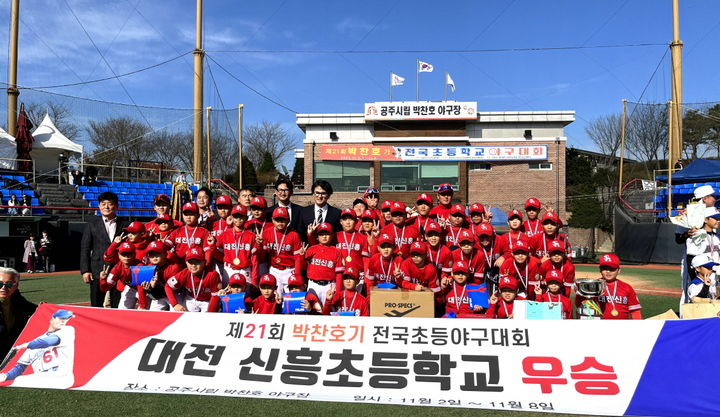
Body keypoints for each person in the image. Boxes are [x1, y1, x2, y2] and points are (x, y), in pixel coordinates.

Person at [0, 309, 75, 388]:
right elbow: (19, 368)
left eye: (67, 319)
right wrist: (4, 376)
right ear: (52, 319)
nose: (63, 321)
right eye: (61, 318)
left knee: (21, 380)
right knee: (19, 379)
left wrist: (24, 345)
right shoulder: (34, 344)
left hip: (62, 377)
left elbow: (48, 342)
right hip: (43, 378)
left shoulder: (67, 330)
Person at [80, 191, 128, 308]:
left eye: (110, 204)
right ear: (99, 206)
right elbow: (85, 248)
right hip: (97, 269)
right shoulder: (92, 225)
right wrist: (85, 270)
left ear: (116, 206)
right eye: (103, 204)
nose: (106, 207)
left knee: (118, 303)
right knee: (96, 303)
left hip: (118, 269)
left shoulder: (125, 224)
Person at [577, 253, 641, 320]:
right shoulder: (593, 286)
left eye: (612, 269)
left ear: (619, 270)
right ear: (600, 270)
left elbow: (635, 311)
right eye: (604, 268)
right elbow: (579, 304)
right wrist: (579, 294)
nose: (608, 271)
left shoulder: (627, 288)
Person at [258, 207, 303, 294]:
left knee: (290, 297)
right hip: (274, 269)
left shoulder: (294, 235)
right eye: (277, 219)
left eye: (283, 220)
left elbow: (297, 258)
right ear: (272, 220)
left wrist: (297, 275)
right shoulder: (267, 233)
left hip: (289, 270)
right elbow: (262, 255)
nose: (280, 222)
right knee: (274, 296)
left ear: (288, 220)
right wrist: (259, 245)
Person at [0, 267, 37, 359]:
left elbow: (33, 309)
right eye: (0, 284)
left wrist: (45, 308)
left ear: (16, 286)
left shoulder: (16, 297)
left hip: (12, 349)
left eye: (9, 284)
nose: (3, 288)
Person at [304, 222, 345, 304]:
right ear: (317, 236)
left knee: (328, 310)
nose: (324, 236)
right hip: (313, 284)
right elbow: (303, 266)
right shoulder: (311, 249)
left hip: (329, 285)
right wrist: (302, 257)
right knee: (312, 310)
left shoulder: (336, 251)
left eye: (327, 234)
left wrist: (338, 290)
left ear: (332, 235)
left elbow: (339, 273)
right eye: (321, 234)